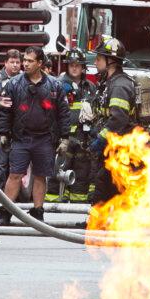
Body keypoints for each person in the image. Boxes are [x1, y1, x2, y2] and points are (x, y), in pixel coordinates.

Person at [0, 47, 69, 224]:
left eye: (30, 61)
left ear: (40, 63)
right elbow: (5, 111)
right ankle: (6, 212)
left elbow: (64, 113)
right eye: (24, 60)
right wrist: (4, 133)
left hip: (45, 139)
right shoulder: (13, 84)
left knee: (40, 175)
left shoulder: (55, 85)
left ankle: (38, 212)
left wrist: (65, 138)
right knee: (14, 175)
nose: (25, 64)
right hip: (21, 138)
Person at [88, 37, 137, 205]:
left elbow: (118, 119)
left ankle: (99, 224)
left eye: (99, 59)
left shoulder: (119, 86)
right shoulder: (110, 83)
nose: (95, 62)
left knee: (107, 185)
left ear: (111, 62)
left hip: (121, 147)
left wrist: (102, 138)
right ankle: (99, 222)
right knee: (108, 185)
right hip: (114, 146)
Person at [49, 49, 97, 203]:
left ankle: (78, 205)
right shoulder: (58, 85)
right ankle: (52, 208)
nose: (74, 68)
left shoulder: (90, 87)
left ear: (83, 67)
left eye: (78, 65)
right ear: (67, 67)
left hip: (83, 138)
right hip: (64, 138)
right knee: (58, 172)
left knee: (82, 173)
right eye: (71, 65)